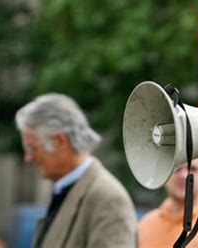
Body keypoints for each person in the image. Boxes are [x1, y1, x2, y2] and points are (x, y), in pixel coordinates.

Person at [15, 93, 137, 248]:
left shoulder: (108, 198)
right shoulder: (69, 189)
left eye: (33, 148)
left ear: (60, 141)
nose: (28, 158)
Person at [139, 156, 198, 248]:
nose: (184, 175)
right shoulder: (145, 224)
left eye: (193, 169)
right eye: (177, 169)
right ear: (164, 175)